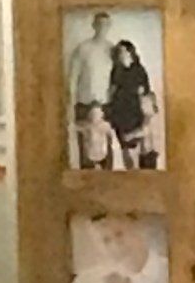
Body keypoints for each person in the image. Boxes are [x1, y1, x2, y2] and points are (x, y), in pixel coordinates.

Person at [65, 10, 115, 164]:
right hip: (84, 105)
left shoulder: (112, 50)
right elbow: (72, 80)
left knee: (106, 153)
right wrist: (70, 108)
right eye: (99, 24)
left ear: (109, 27)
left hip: (106, 106)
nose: (102, 27)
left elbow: (117, 80)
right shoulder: (83, 49)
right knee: (86, 154)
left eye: (106, 24)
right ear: (93, 25)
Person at [105, 37, 160, 170]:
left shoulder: (139, 70)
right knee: (126, 148)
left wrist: (146, 108)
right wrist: (109, 109)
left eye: (124, 51)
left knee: (139, 146)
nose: (121, 54)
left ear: (131, 53)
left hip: (136, 112)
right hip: (120, 113)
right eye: (119, 52)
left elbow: (145, 93)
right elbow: (111, 91)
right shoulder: (116, 71)